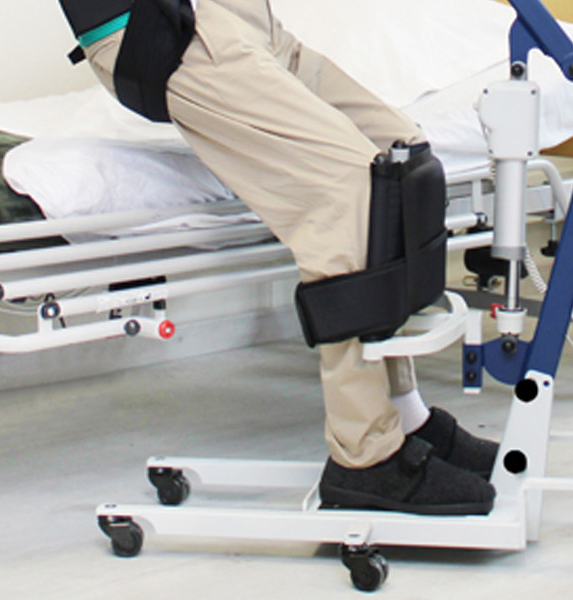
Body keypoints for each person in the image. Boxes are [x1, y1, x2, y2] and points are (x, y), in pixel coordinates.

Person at [59, 0, 498, 514]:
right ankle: (365, 455)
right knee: (349, 191)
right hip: (164, 24)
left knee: (403, 154)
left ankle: (404, 414)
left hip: (244, 19)